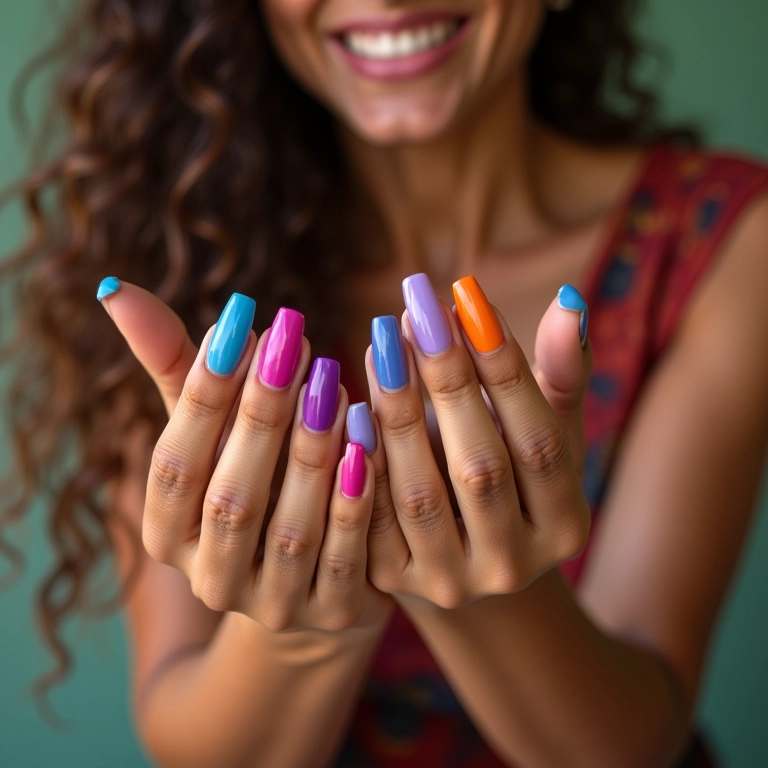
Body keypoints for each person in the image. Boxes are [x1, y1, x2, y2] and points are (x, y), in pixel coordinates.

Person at [2, 0, 768, 766]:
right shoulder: (179, 249)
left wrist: (479, 583)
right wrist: (305, 622)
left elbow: (634, 747)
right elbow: (192, 739)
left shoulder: (723, 240)